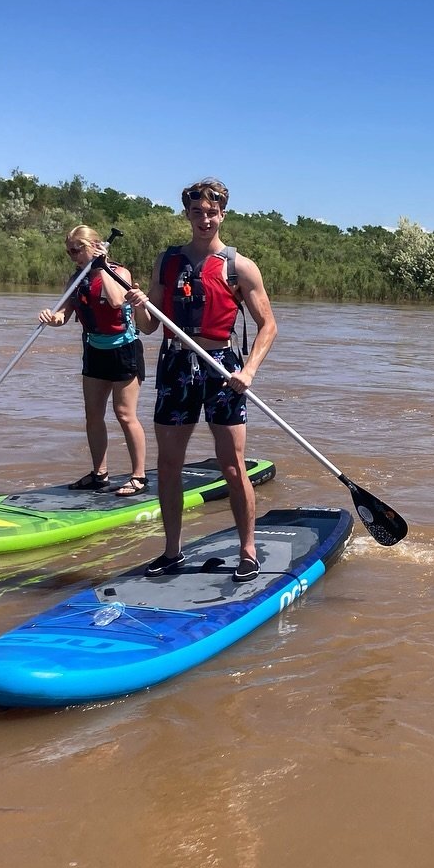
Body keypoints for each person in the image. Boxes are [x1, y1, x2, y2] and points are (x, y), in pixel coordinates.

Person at [126, 178, 277, 582]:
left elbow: (269, 326)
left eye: (212, 212)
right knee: (169, 464)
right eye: (198, 213)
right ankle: (172, 550)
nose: (205, 219)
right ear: (188, 215)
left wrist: (248, 371)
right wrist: (138, 305)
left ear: (222, 214)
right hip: (175, 364)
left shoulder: (239, 266)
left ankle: (247, 551)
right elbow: (147, 327)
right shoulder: (167, 261)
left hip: (223, 368)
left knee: (232, 466)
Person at [37, 225, 147, 496]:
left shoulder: (119, 273)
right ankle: (100, 474)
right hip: (94, 350)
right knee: (93, 415)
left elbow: (115, 301)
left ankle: (138, 476)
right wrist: (52, 319)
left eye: (78, 250)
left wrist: (100, 267)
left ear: (95, 246)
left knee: (124, 414)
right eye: (69, 252)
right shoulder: (76, 279)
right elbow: (63, 315)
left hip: (124, 350)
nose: (73, 256)